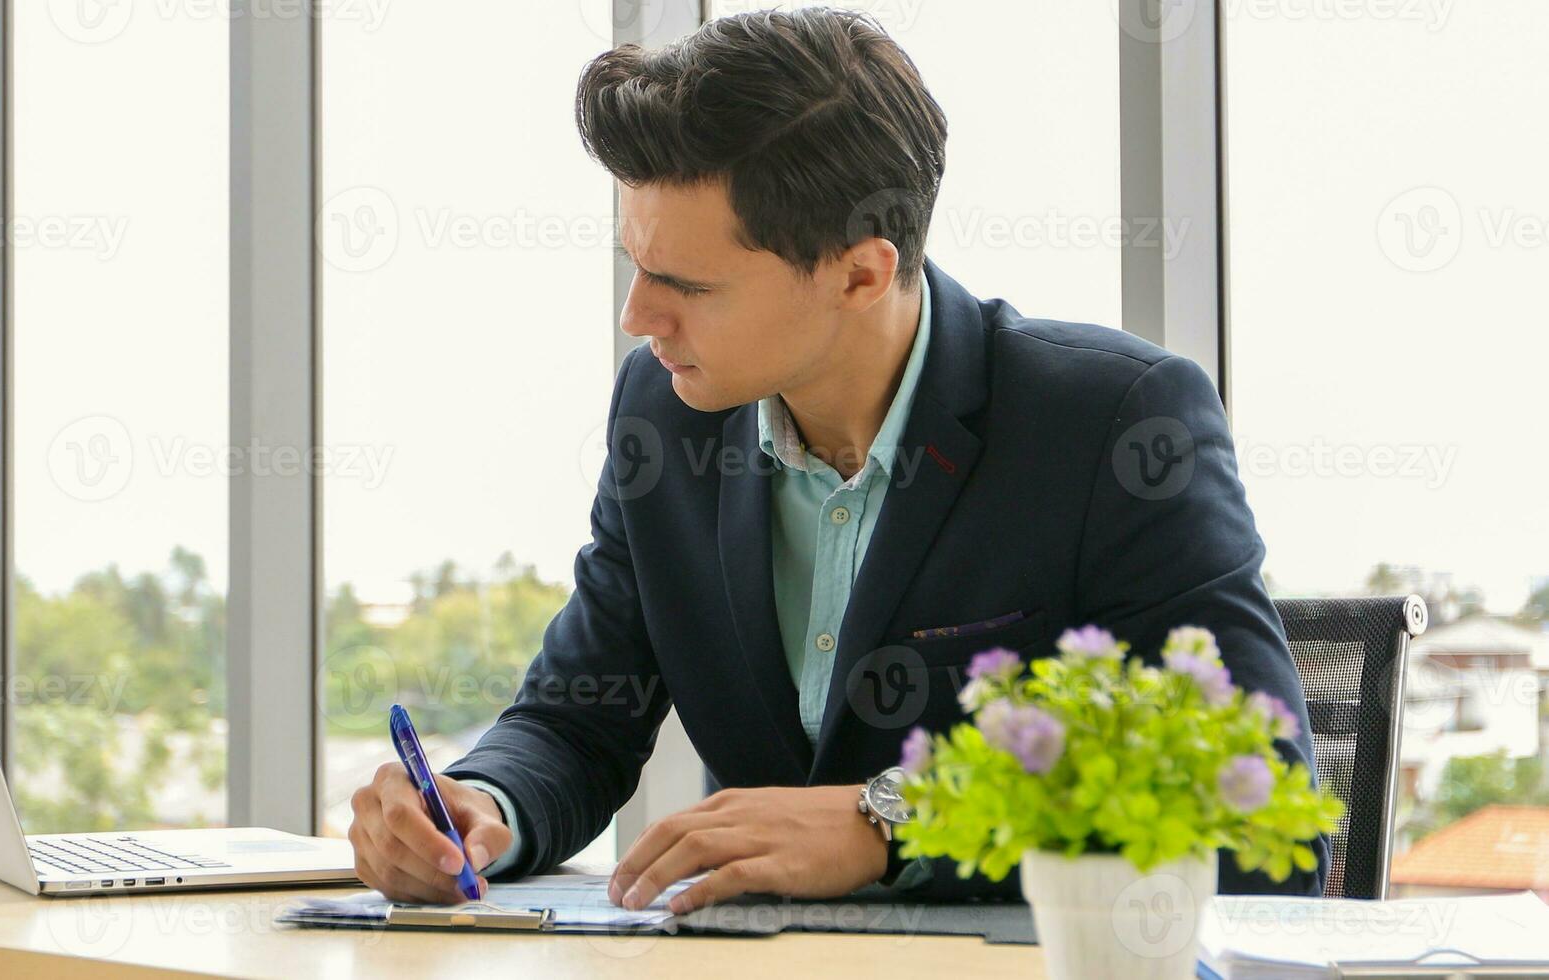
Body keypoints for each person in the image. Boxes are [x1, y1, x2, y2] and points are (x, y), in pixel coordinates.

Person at [345, 7, 1325, 913]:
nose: (636, 318)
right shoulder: (669, 414)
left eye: (683, 283)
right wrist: (479, 801)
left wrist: (893, 817)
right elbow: (575, 717)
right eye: (633, 266)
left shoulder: (1113, 422)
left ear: (862, 271)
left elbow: (1256, 810)